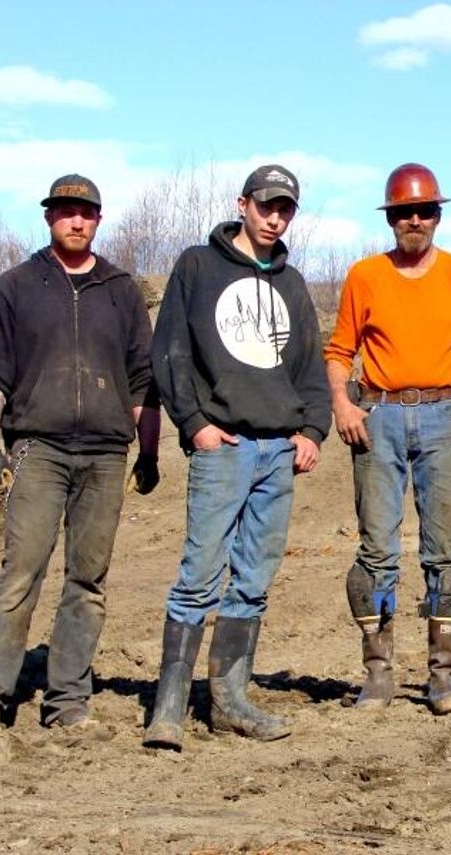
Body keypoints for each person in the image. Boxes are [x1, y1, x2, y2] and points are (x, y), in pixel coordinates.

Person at [324, 163, 451, 715]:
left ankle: (442, 676)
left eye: (424, 211)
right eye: (404, 213)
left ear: (438, 217)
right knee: (375, 551)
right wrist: (344, 403)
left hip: (442, 416)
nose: (414, 221)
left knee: (445, 555)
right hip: (380, 416)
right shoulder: (365, 276)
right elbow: (339, 351)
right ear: (390, 219)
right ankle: (377, 675)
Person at [0, 174, 160, 737]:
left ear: (99, 220)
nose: (76, 221)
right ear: (49, 218)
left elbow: (144, 378)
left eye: (86, 213)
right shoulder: (17, 286)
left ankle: (68, 700)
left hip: (104, 454)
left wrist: (147, 451)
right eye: (65, 212)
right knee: (20, 572)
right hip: (39, 449)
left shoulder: (121, 289)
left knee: (88, 579)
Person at [143, 165, 330, 749]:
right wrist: (194, 424)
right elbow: (169, 352)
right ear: (242, 205)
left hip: (278, 452)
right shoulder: (198, 266)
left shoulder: (293, 283)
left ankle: (229, 699)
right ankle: (167, 709)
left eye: (287, 209)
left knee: (253, 580)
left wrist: (312, 430)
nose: (276, 217)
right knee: (198, 577)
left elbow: (310, 367)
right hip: (222, 447)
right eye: (267, 206)